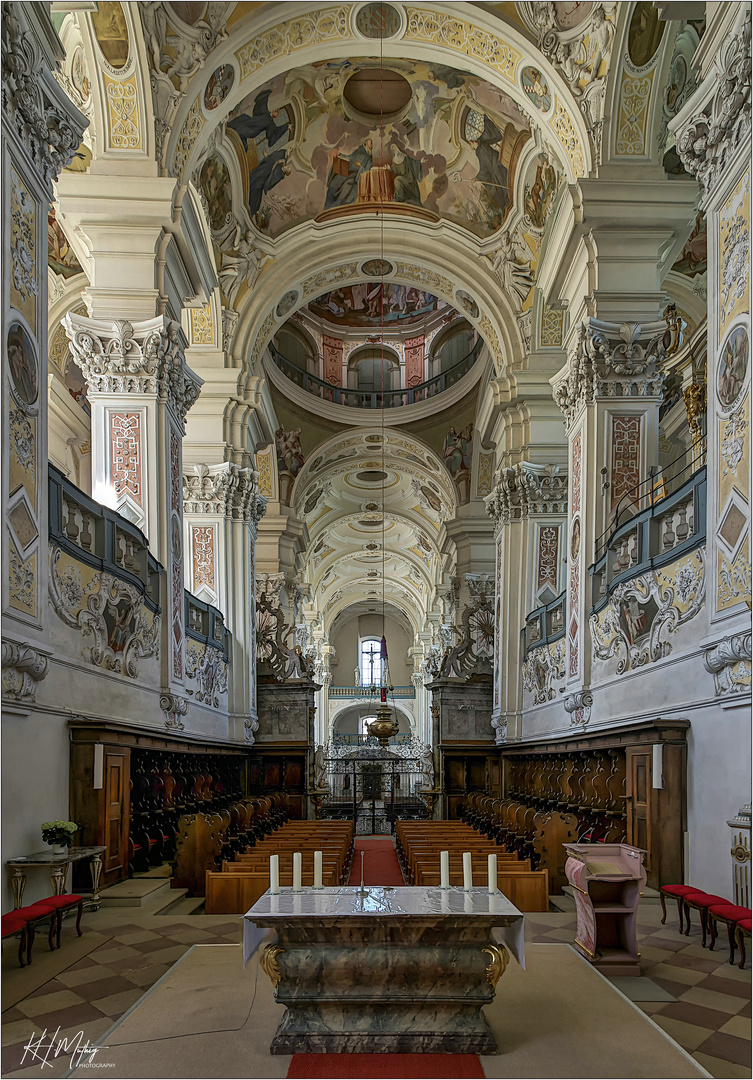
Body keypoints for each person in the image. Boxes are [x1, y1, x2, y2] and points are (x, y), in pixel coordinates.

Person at [325, 138, 373, 209]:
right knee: (334, 183)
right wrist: (340, 156)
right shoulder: (358, 151)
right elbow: (349, 158)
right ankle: (329, 206)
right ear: (365, 144)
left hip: (355, 175)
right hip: (347, 172)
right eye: (370, 144)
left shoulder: (369, 158)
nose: (372, 146)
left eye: (371, 144)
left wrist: (360, 167)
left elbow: (367, 170)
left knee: (347, 185)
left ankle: (338, 205)